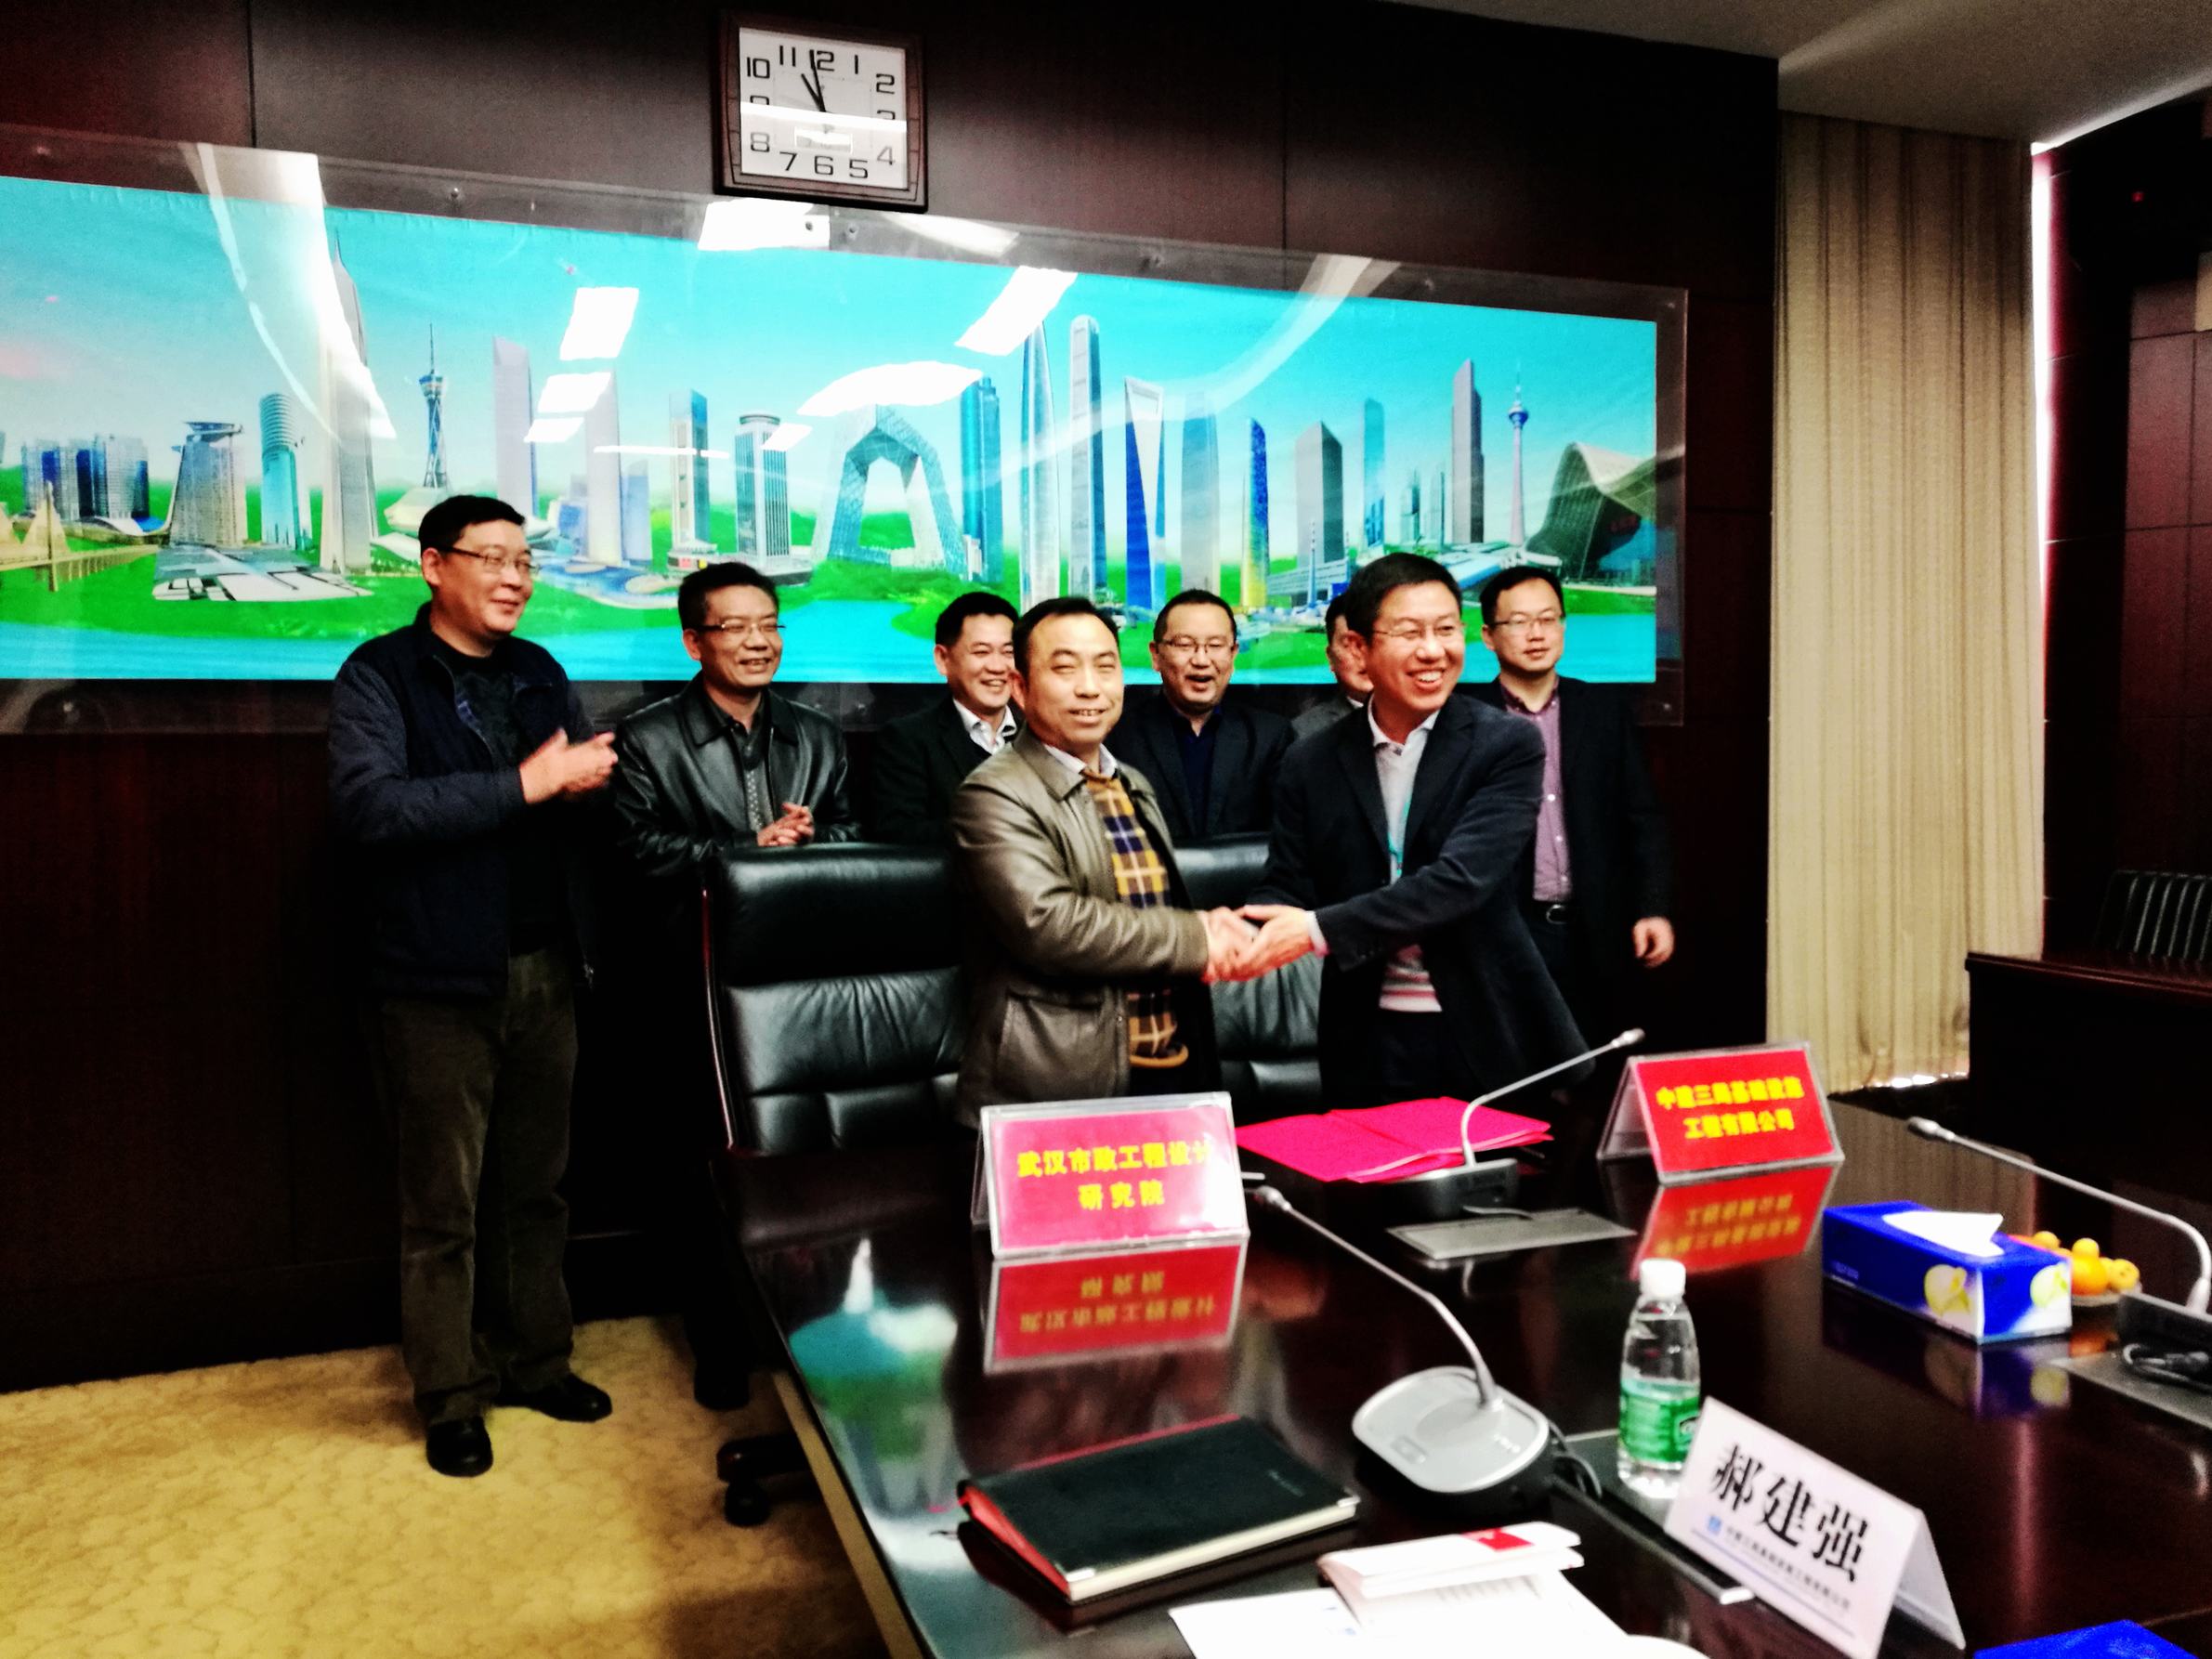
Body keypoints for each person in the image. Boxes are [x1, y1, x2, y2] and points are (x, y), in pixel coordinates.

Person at [328, 494, 617, 1479]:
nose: (513, 577)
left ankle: (538, 1361)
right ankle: (450, 1394)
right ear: (432, 566)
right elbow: (370, 809)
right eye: (490, 557)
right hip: (433, 978)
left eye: (523, 561)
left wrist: (588, 785)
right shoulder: (379, 674)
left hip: (547, 967)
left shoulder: (539, 671)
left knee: (535, 1188)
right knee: (442, 1204)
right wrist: (526, 786)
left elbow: (570, 796)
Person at [1237, 553, 1584, 1108]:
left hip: (1481, 1026)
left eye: (1446, 629)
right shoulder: (1311, 760)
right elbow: (1288, 882)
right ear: (1358, 648)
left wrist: (1316, 930)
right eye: (1410, 632)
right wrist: (1235, 933)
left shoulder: (1504, 745)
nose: (1433, 650)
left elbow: (1460, 882)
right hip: (1364, 1030)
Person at [949, 596, 1250, 1119]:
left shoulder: (1131, 783)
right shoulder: (993, 794)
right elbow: (1049, 925)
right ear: (1020, 687)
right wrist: (1199, 937)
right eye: (1065, 668)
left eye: (1105, 666)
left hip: (1167, 1064)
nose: (1090, 687)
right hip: (1059, 1083)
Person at [1468, 565, 1673, 1041]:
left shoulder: (1602, 709)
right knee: (1515, 1066)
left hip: (1596, 927)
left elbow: (1641, 817)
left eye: (1548, 619)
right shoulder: (1466, 719)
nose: (1536, 634)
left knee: (1597, 1060)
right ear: (1489, 637)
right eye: (1519, 622)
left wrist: (1654, 908)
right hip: (1506, 932)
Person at [611, 561, 857, 883]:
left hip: (800, 907)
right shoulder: (646, 739)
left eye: (769, 626)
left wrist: (811, 836)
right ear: (694, 643)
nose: (759, 642)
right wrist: (751, 846)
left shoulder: (819, 735)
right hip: (701, 913)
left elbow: (854, 835)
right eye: (736, 628)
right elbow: (638, 850)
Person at [1110, 589, 1293, 843]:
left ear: (1233, 654)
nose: (1201, 659)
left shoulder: (1271, 737)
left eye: (1215, 645)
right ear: (1156, 655)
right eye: (1185, 645)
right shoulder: (1118, 736)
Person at [868, 592, 1020, 844]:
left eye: (1009, 652)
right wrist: (995, 829)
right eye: (981, 652)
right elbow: (896, 833)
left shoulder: (1042, 735)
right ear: (943, 659)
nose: (997, 666)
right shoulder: (907, 740)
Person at [1291, 591, 1371, 740]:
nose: (1363, 656)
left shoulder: (1420, 719)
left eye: (1372, 642)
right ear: (1330, 657)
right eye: (1349, 645)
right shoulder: (1305, 733)